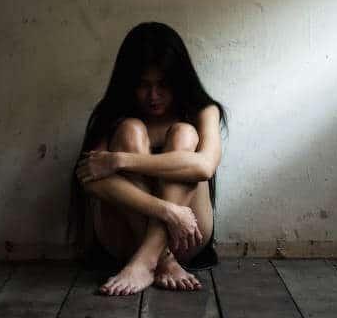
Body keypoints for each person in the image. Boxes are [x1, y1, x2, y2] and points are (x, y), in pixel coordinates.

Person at [66, 22, 228, 296]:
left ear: (179, 81)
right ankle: (160, 259)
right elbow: (89, 179)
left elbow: (204, 166)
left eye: (163, 85)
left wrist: (120, 161)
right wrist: (167, 211)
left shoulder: (203, 111)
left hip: (188, 236)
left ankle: (144, 261)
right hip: (128, 235)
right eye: (143, 85)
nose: (153, 96)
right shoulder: (113, 114)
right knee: (130, 129)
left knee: (185, 134)